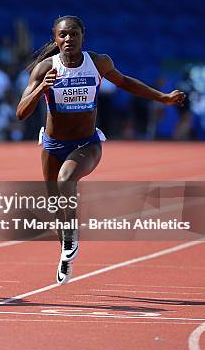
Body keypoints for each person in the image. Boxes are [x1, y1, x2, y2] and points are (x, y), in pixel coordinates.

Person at [16, 15, 185, 285]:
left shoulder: (98, 62)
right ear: (55, 39)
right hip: (51, 145)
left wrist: (162, 97)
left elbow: (126, 82)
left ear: (83, 36)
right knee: (56, 205)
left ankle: (71, 238)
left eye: (73, 34)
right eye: (63, 35)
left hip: (87, 143)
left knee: (66, 180)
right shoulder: (45, 69)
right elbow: (21, 113)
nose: (68, 39)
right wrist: (41, 89)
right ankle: (65, 253)